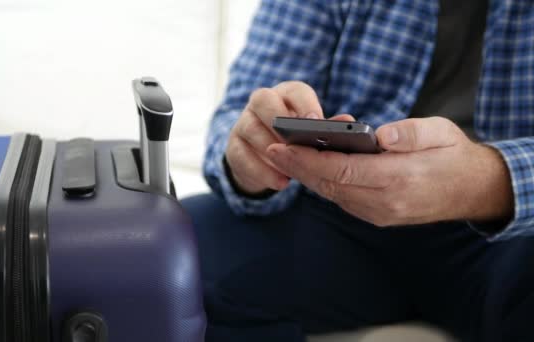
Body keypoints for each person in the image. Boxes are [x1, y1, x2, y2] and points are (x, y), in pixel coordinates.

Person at [181, 1, 534, 341]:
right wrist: (253, 157)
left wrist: (487, 181)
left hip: (510, 232)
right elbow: (240, 113)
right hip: (339, 211)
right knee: (177, 256)